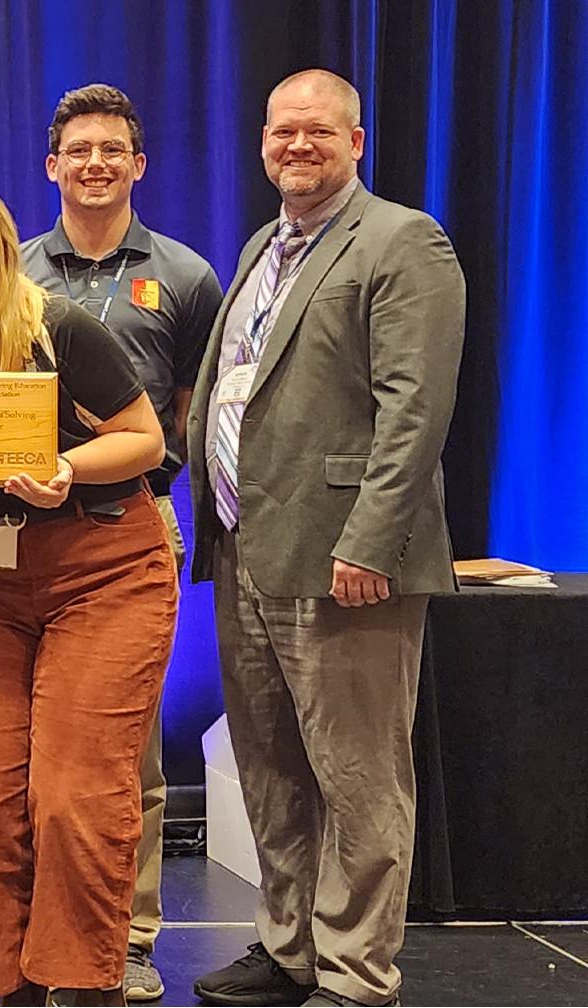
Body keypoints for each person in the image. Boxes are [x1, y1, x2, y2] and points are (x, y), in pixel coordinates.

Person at [187, 69, 464, 1008]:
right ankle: (290, 945)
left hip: (347, 559)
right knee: (273, 771)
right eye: (280, 132)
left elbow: (415, 411)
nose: (295, 146)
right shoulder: (268, 243)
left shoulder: (402, 241)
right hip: (251, 549)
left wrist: (371, 543)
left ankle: (355, 974)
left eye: (316, 131)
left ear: (357, 141)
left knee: (357, 780)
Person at [0, 180, 176, 1007]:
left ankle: (86, 985)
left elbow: (145, 440)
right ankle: (15, 985)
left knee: (74, 796)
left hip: (106, 569)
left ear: (4, 255)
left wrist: (64, 469)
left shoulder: (59, 327)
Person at [19, 83, 224, 1003]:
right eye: (78, 150)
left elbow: (193, 411)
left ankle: (127, 936)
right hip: (15, 530)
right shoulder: (10, 270)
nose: (95, 162)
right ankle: (35, 934)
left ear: (137, 165)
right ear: (52, 165)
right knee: (22, 752)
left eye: (113, 149)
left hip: (138, 522)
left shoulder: (184, 275)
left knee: (119, 752)